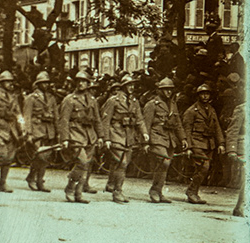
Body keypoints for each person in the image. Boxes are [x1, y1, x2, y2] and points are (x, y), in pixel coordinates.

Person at [96, 74, 146, 204]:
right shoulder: (113, 100)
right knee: (122, 163)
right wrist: (106, 138)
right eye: (129, 85)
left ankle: (112, 184)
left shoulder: (134, 101)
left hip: (129, 136)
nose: (131, 87)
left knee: (122, 163)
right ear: (123, 87)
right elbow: (105, 121)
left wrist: (144, 133)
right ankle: (117, 192)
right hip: (115, 134)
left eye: (133, 85)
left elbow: (139, 119)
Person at [56, 71, 101, 204]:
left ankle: (78, 193)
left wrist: (101, 136)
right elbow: (64, 120)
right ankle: (70, 187)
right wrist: (64, 138)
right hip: (75, 134)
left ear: (88, 84)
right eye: (79, 81)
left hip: (90, 135)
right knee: (82, 162)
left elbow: (97, 119)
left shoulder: (92, 100)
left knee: (86, 165)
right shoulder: (69, 99)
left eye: (84, 81)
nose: (81, 84)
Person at [142, 78, 184, 203]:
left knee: (165, 165)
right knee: (164, 162)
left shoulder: (173, 104)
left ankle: (158, 191)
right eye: (165, 89)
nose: (168, 92)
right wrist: (145, 142)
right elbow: (146, 124)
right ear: (159, 90)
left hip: (170, 138)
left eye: (170, 90)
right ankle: (154, 190)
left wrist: (183, 138)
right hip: (156, 136)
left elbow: (178, 123)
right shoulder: (152, 104)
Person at [182, 84, 223, 205]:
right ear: (198, 95)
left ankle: (192, 191)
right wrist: (188, 146)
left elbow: (217, 127)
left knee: (204, 168)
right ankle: (192, 192)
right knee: (203, 167)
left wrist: (221, 143)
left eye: (207, 94)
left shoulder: (211, 110)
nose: (205, 96)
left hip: (209, 144)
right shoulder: (191, 111)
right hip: (197, 143)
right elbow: (187, 129)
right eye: (202, 94)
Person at [22, 72, 59, 193]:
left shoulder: (52, 98)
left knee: (46, 157)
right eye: (43, 83)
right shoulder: (31, 98)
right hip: (36, 129)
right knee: (39, 155)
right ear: (38, 84)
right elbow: (27, 116)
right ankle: (32, 178)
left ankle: (39, 180)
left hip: (49, 130)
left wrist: (58, 132)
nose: (45, 85)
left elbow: (56, 117)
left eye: (47, 83)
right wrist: (28, 133)